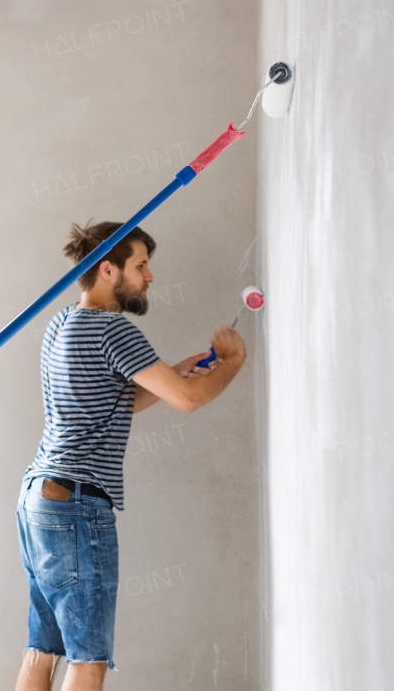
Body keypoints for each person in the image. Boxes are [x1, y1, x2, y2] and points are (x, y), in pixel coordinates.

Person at [14, 221, 246, 691]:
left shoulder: (62, 323)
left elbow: (116, 401)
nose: (150, 277)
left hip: (39, 501)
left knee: (43, 648)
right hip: (77, 506)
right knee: (88, 657)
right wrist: (233, 362)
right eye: (140, 265)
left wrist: (173, 373)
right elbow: (189, 400)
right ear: (107, 270)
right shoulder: (113, 328)